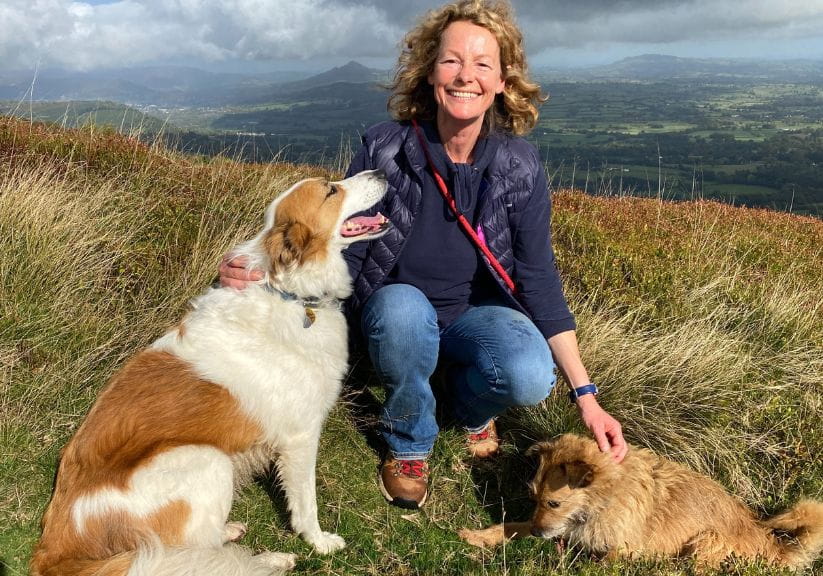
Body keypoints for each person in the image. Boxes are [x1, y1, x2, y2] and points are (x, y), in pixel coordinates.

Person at [220, 0, 627, 510]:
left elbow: (539, 280)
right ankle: (409, 440)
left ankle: (467, 408)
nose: (465, 76)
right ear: (430, 71)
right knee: (403, 311)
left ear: (502, 81)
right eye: (452, 60)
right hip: (396, 313)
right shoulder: (385, 149)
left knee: (528, 372)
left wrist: (585, 397)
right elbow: (327, 237)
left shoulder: (521, 167)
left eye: (483, 64)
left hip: (473, 317)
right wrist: (257, 273)